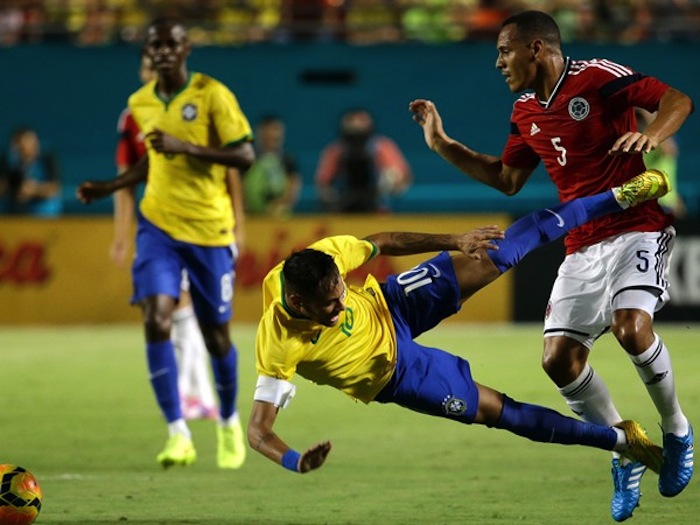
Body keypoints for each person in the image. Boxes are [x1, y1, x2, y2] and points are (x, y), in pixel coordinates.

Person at [409, 10, 693, 522]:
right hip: (581, 245)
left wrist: (652, 137)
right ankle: (624, 449)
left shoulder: (597, 77)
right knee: (557, 360)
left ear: (536, 49)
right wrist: (441, 144)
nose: (498, 62)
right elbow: (507, 179)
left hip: (637, 228)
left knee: (631, 327)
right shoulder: (524, 111)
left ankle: (677, 433)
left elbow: (678, 100)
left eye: (503, 51)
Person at [247, 170, 668, 482]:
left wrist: (455, 240)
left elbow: (386, 241)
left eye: (341, 292)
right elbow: (258, 432)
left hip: (392, 303)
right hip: (395, 371)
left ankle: (618, 197)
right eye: (330, 306)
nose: (341, 305)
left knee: (496, 251)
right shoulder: (278, 342)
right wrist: (295, 460)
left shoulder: (324, 259)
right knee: (498, 412)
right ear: (299, 303)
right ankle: (622, 443)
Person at [77, 17, 255, 470]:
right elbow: (151, 162)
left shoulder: (212, 93)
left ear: (186, 47)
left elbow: (245, 155)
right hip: (158, 226)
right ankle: (178, 433)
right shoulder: (138, 102)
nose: (161, 53)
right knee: (157, 317)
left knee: (216, 336)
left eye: (169, 45)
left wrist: (188, 147)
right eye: (153, 46)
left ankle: (230, 421)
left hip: (210, 231)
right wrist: (109, 186)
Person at [112, 50, 244, 421]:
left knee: (192, 312)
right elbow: (125, 181)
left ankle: (198, 396)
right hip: (161, 228)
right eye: (147, 68)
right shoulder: (133, 116)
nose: (152, 74)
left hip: (206, 227)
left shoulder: (199, 105)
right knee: (170, 309)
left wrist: (238, 224)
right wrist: (122, 234)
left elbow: (230, 167)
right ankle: (197, 396)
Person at [315, 108, 412, 213]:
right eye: (352, 122)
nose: (356, 125)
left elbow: (401, 177)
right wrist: (330, 197)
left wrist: (390, 182)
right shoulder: (336, 150)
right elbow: (323, 183)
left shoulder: (383, 147)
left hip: (376, 206)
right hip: (343, 208)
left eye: (361, 121)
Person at [243, 115, 301, 216]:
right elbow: (238, 186)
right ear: (260, 132)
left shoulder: (288, 160)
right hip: (250, 217)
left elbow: (293, 187)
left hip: (279, 218)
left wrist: (277, 206)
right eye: (270, 131)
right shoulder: (247, 158)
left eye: (278, 130)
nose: (274, 134)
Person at [636, 108, 686, 218]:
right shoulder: (634, 142)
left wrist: (650, 118)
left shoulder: (663, 138)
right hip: (640, 205)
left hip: (662, 205)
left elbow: (670, 151)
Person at [0, 126, 62, 216]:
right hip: (13, 208)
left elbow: (55, 189)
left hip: (41, 210)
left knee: (49, 204)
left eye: (33, 143)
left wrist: (34, 190)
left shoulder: (47, 160)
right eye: (21, 145)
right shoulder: (7, 162)